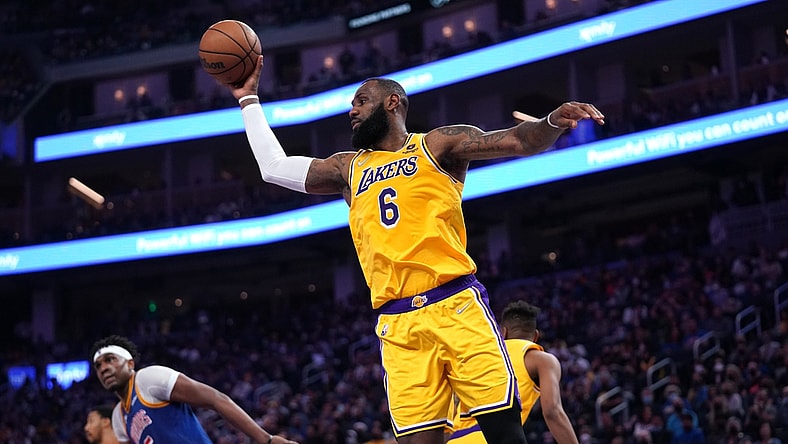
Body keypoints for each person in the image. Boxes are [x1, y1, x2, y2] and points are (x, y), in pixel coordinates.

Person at [228, 56, 604, 444]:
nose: (352, 110)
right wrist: (248, 100)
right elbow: (274, 167)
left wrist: (552, 122)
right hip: (398, 324)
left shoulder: (438, 145)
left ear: (393, 102)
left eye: (361, 100)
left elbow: (519, 140)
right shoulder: (347, 168)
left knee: (504, 432)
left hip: (456, 306)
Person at [90, 335, 298, 444]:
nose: (104, 368)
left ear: (130, 363)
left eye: (110, 360)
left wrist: (267, 440)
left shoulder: (148, 379)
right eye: (98, 365)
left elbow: (216, 399)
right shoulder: (119, 416)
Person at [446, 300, 579, 444]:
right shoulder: (541, 360)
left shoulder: (477, 357)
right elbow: (552, 411)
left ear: (502, 332)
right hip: (495, 437)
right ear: (535, 336)